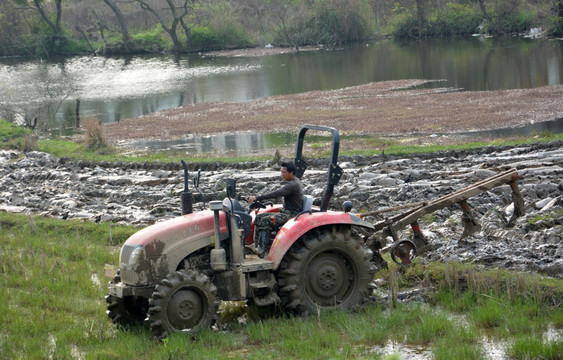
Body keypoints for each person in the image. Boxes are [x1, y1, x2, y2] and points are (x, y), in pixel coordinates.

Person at [247, 161, 303, 256]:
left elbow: (276, 194)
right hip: (286, 211)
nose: (282, 174)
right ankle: (255, 245)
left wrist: (256, 198)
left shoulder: (293, 185)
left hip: (291, 214)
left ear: (291, 173)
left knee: (266, 220)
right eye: (281, 172)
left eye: (284, 172)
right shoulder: (293, 182)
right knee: (259, 217)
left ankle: (261, 250)